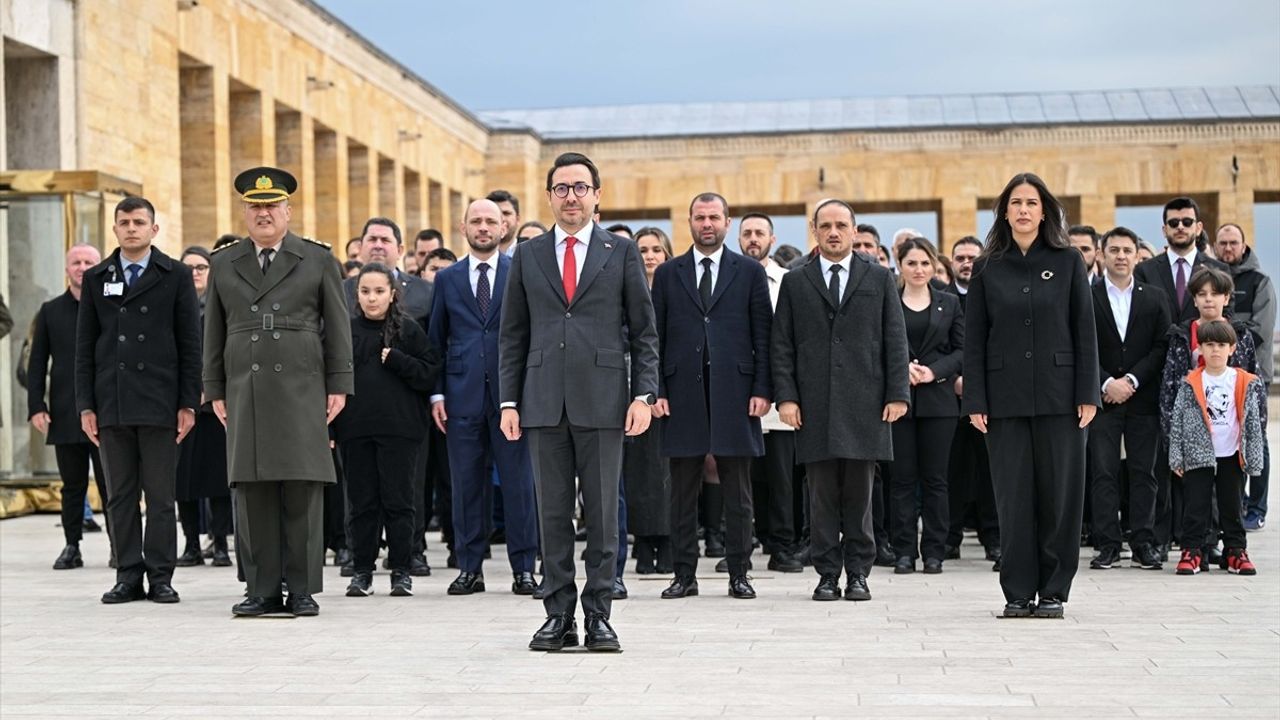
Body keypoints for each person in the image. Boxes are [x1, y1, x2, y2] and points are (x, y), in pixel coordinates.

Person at [499, 152, 658, 652]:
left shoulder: (620, 251)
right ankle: (557, 614)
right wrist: (508, 402)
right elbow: (512, 336)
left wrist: (644, 394)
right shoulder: (528, 255)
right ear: (549, 196)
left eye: (580, 187)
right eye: (562, 188)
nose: (571, 196)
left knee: (604, 515)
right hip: (542, 402)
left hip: (605, 400)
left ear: (597, 194)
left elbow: (644, 332)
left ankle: (599, 615)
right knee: (552, 513)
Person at [203, 167, 353, 617]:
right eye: (255, 206)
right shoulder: (224, 262)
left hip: (303, 384)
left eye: (272, 205)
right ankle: (261, 589)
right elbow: (213, 329)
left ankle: (302, 588)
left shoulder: (317, 258)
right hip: (245, 385)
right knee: (251, 486)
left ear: (288, 210)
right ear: (245, 212)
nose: (263, 213)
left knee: (303, 486)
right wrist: (214, 389)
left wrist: (340, 384)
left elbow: (338, 327)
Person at [963, 173, 1099, 620]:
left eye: (1031, 203)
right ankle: (1018, 591)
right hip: (1003, 401)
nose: (1023, 210)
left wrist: (1087, 393)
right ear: (1004, 211)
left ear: (1045, 211)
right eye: (1016, 202)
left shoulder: (1068, 261)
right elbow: (975, 341)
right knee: (1013, 498)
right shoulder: (987, 266)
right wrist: (976, 400)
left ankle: (1055, 589)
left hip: (1062, 398)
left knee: (1060, 496)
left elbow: (1084, 330)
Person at [772, 198, 910, 602]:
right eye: (825, 226)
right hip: (813, 403)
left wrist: (897, 394)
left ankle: (859, 573)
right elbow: (781, 344)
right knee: (821, 496)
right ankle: (827, 573)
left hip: (865, 402)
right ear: (814, 232)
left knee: (860, 495)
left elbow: (895, 340)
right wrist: (787, 397)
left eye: (841, 226)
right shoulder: (797, 280)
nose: (834, 232)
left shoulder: (879, 277)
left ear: (854, 231)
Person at [76, 196, 202, 604]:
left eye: (139, 222)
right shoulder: (97, 278)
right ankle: (128, 573)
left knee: (162, 495)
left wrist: (187, 402)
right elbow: (84, 349)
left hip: (161, 401)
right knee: (119, 495)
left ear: (154, 229)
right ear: (114, 229)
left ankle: (161, 575)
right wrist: (85, 405)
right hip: (112, 401)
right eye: (124, 222)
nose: (131, 228)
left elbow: (189, 343)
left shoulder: (176, 275)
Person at [652, 193, 772, 600]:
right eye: (700, 217)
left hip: (736, 392)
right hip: (680, 391)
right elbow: (656, 336)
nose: (707, 223)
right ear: (689, 221)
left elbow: (763, 335)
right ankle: (684, 575)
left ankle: (739, 572)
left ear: (726, 222)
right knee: (682, 491)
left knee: (737, 491)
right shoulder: (669, 273)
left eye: (714, 217)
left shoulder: (749, 272)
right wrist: (657, 390)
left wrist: (762, 389)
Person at [428, 199, 539, 597]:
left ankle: (524, 568)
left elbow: (529, 336)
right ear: (464, 227)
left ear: (505, 226)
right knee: (466, 486)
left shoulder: (521, 272)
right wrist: (437, 392)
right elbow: (436, 340)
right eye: (476, 220)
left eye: (491, 220)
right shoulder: (448, 278)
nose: (484, 227)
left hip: (512, 401)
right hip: (461, 397)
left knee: (519, 485)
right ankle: (469, 568)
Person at [336, 263, 440, 597]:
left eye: (379, 291)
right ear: (357, 294)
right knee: (362, 503)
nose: (372, 298)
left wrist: (397, 360)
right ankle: (362, 570)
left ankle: (401, 570)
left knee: (399, 501)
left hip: (400, 430)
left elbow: (428, 374)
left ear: (392, 294)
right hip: (355, 429)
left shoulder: (408, 331)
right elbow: (330, 381)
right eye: (365, 291)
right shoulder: (345, 332)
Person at [1156, 266, 1257, 563]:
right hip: (1195, 434)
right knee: (1195, 498)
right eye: (1202, 294)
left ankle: (1232, 549)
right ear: (1194, 299)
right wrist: (1174, 438)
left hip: (1230, 436)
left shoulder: (1241, 335)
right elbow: (1170, 387)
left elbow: (1253, 385)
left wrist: (1253, 436)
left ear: (1226, 298)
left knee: (1230, 498)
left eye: (1215, 294)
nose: (1209, 300)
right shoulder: (1180, 334)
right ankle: (1193, 547)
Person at [1087, 227, 1171, 572]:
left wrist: (1132, 379)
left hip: (1142, 398)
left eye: (1127, 250)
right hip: (1103, 399)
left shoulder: (1154, 297)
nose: (1121, 256)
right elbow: (1080, 346)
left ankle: (1143, 542)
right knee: (1103, 472)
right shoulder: (1086, 296)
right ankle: (1107, 544)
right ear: (1101, 255)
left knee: (1144, 472)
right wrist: (1107, 381)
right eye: (1114, 250)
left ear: (1137, 256)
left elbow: (1162, 345)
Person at [29, 244, 111, 571]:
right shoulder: (50, 311)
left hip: (106, 410)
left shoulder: (110, 305)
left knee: (112, 484)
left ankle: (120, 545)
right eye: (75, 262)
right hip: (65, 411)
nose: (81, 267)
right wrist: (36, 405)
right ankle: (71, 545)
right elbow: (37, 363)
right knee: (72, 484)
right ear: (67, 269)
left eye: (88, 262)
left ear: (98, 266)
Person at [890, 237, 964, 575]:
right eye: (911, 263)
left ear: (934, 265)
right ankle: (904, 551)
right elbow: (879, 342)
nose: (919, 270)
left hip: (939, 401)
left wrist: (934, 371)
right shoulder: (887, 300)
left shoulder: (949, 303)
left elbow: (962, 350)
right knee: (902, 479)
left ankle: (934, 550)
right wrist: (902, 367)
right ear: (900, 265)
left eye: (924, 263)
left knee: (936, 479)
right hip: (899, 401)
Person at [1169, 320, 1265, 576]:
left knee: (1232, 505)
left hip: (1231, 454)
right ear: (1199, 348)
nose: (1215, 350)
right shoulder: (1191, 382)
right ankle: (1192, 550)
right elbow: (1177, 419)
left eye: (1221, 345)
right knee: (1195, 505)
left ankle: (1235, 550)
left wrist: (1253, 457)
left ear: (1232, 348)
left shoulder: (1243, 380)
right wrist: (1177, 456)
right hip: (1198, 454)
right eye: (1209, 345)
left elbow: (1253, 422)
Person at [738, 213, 804, 573]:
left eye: (759, 233)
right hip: (739, 391)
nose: (752, 239)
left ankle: (782, 545)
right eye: (746, 233)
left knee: (781, 475)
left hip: (779, 392)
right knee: (745, 475)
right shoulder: (730, 276)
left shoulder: (788, 282)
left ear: (772, 239)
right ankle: (744, 546)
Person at [175, 246, 233, 568]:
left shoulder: (221, 305)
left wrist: (209, 390)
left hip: (215, 407)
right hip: (182, 406)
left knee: (218, 478)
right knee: (183, 481)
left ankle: (221, 542)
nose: (195, 273)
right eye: (189, 268)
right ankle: (191, 543)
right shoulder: (173, 304)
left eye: (201, 267)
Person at [1214, 223, 1275, 531]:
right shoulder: (1209, 279)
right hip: (1217, 377)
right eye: (1222, 242)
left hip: (1253, 375)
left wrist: (1218, 330)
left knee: (1256, 439)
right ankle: (1234, 503)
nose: (1228, 248)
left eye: (1233, 243)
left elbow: (1260, 329)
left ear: (1243, 245)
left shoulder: (1259, 281)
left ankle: (1258, 505)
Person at [944, 236, 1001, 566]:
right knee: (952, 471)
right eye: (960, 257)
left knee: (989, 471)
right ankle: (950, 537)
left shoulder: (994, 295)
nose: (967, 263)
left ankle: (993, 537)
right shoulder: (941, 296)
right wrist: (954, 380)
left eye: (972, 257)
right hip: (947, 399)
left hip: (988, 398)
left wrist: (976, 383)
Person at [626, 227, 675, 575]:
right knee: (638, 473)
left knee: (670, 474)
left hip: (672, 395)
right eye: (642, 249)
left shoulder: (676, 288)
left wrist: (662, 390)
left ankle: (670, 543)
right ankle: (643, 544)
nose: (650, 256)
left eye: (657, 249)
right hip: (631, 392)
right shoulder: (623, 287)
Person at [1134, 197, 1228, 324]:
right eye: (1173, 223)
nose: (1180, 227)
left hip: (1203, 341)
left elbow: (1226, 316)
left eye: (1187, 222)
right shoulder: (1144, 271)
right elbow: (1140, 316)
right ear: (1164, 230)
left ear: (1198, 228)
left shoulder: (1218, 269)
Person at [487, 189, 521, 257]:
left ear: (517, 219)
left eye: (506, 213)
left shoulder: (532, 257)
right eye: (495, 213)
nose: (501, 219)